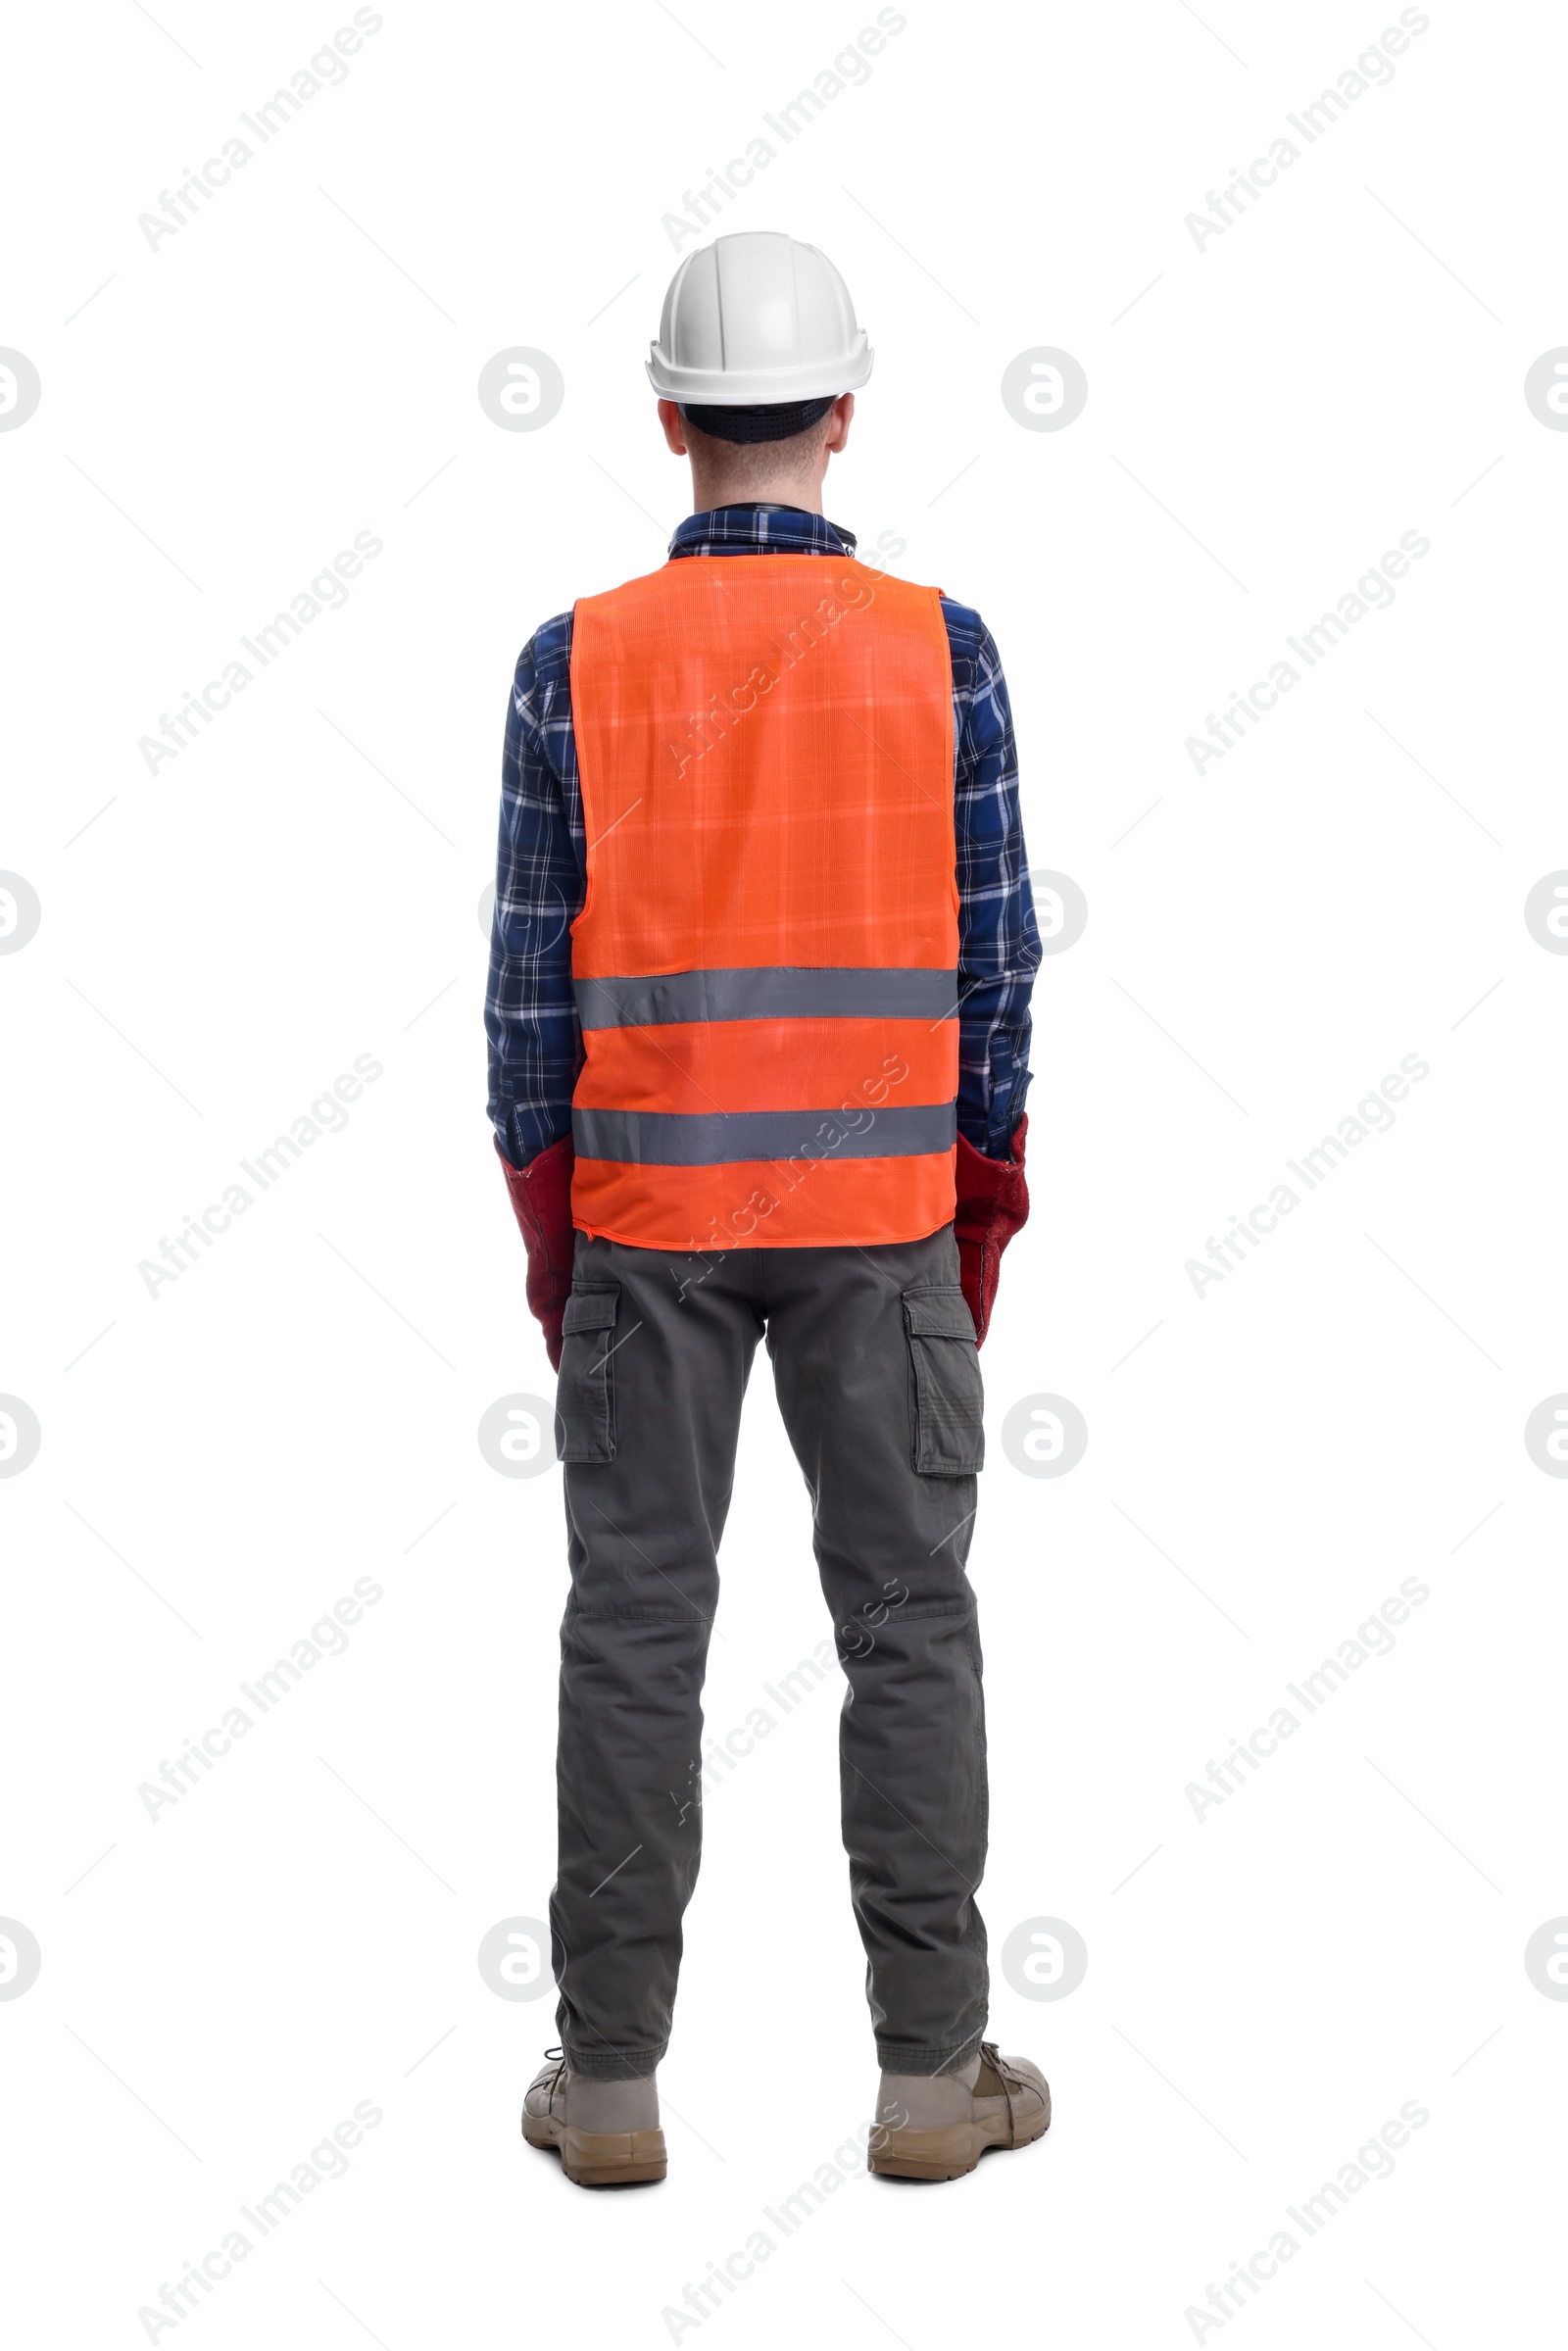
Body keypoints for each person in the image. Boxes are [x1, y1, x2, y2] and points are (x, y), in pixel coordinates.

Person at [486, 230, 1048, 2186]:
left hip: (647, 1215)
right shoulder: (938, 648)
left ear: (665, 420)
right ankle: (927, 2076)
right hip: (883, 1215)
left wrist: (553, 1231)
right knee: (904, 1628)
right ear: (842, 409)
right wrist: (977, 1205)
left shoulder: (574, 660)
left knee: (635, 1630)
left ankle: (612, 2083)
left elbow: (525, 989)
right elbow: (995, 968)